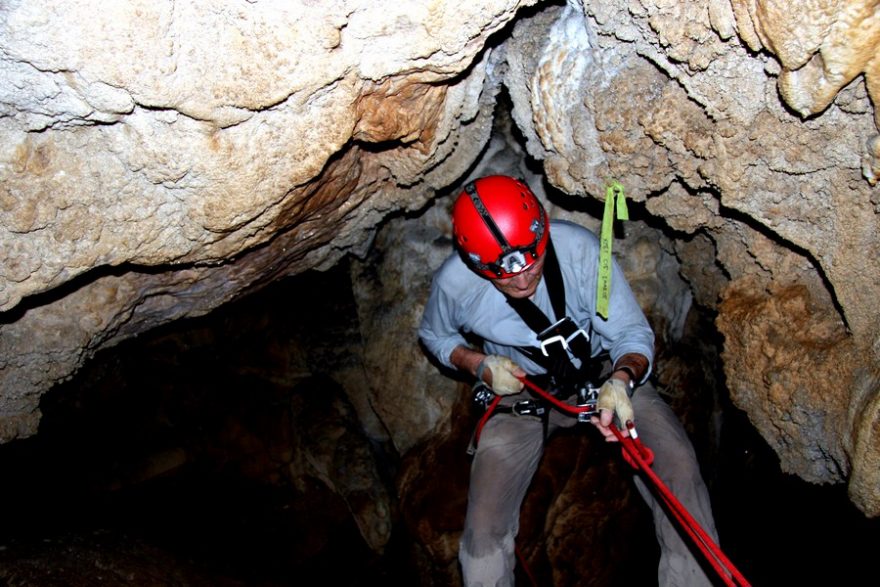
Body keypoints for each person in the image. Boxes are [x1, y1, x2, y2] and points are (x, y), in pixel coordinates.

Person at [418, 175, 719, 586]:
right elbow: (436, 336)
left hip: (605, 377)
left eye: (533, 264)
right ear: (476, 265)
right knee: (483, 533)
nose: (523, 282)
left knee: (680, 471)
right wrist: (477, 364)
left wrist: (622, 380)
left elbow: (632, 335)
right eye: (505, 276)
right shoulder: (455, 284)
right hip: (521, 393)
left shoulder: (579, 251)